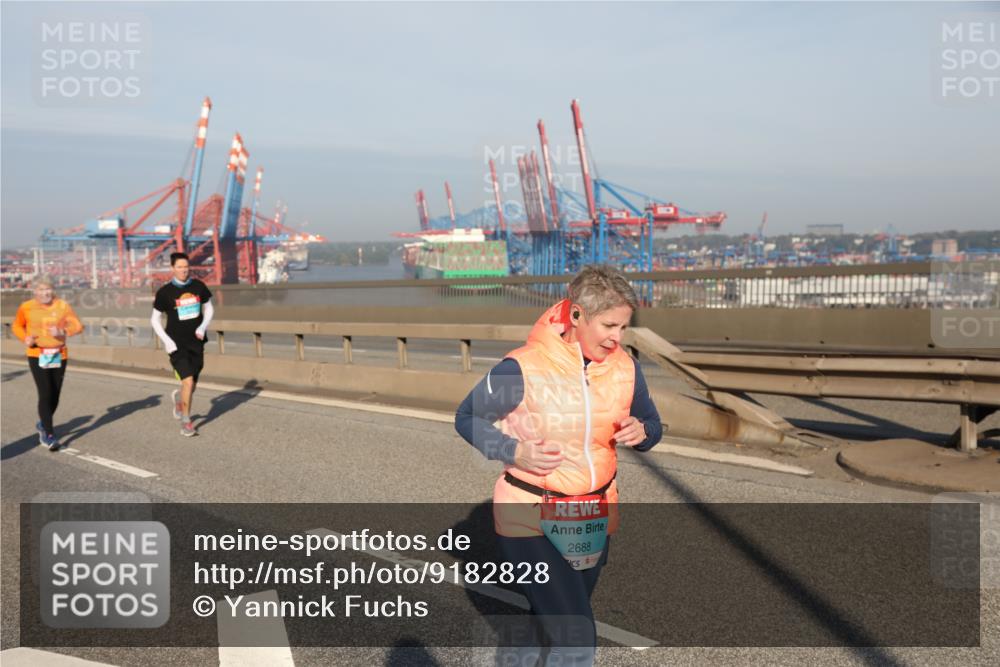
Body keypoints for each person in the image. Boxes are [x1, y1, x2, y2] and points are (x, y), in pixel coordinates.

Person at [455, 265, 663, 665]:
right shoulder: (522, 366)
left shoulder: (624, 368)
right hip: (531, 513)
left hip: (591, 516)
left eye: (623, 327)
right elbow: (468, 417)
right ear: (577, 315)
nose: (617, 337)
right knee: (576, 638)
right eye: (609, 325)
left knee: (546, 623)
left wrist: (644, 431)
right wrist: (513, 450)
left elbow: (652, 424)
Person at [12, 275, 83, 450]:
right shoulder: (26, 307)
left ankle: (43, 422)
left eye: (48, 289)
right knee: (45, 393)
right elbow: (16, 326)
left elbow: (77, 326)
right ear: (35, 291)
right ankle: (48, 434)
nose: (46, 293)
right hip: (37, 353)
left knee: (55, 394)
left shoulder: (62, 306)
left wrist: (62, 330)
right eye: (42, 290)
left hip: (58, 354)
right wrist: (25, 338)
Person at [151, 252, 214, 437]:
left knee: (192, 383)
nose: (183, 270)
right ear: (173, 268)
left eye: (186, 267)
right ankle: (186, 422)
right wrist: (168, 342)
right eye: (179, 267)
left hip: (196, 342)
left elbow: (209, 308)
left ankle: (180, 398)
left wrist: (203, 327)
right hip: (176, 345)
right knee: (187, 381)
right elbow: (154, 320)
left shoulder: (198, 286)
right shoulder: (165, 292)